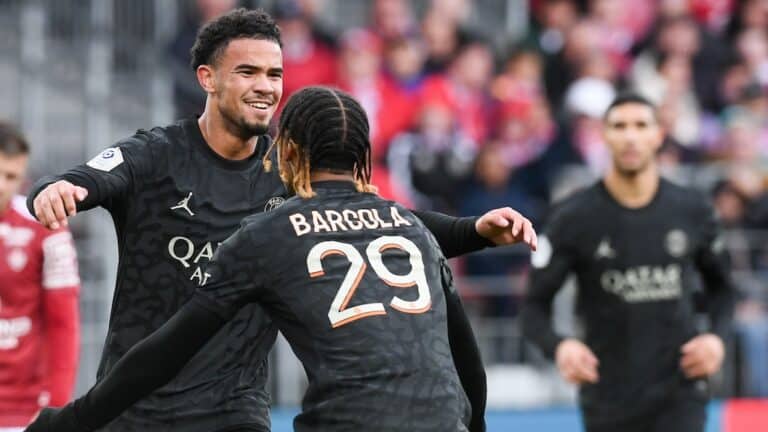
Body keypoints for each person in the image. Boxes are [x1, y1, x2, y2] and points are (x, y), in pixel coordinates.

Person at [27, 9, 535, 432]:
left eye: (274, 75)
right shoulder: (156, 153)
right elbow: (83, 179)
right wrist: (58, 190)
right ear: (207, 78)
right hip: (134, 403)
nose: (266, 87)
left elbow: (384, 222)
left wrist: (474, 231)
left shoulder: (289, 170)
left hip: (235, 409)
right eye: (248, 72)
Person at [521, 93, 734, 432]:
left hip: (680, 393)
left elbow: (724, 289)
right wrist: (560, 347)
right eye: (619, 126)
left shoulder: (693, 210)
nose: (630, 136)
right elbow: (533, 306)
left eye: (640, 125)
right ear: (604, 136)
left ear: (658, 135)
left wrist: (716, 339)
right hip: (607, 397)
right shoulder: (573, 218)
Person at [0, 122, 80, 431]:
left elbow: (64, 321)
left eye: (11, 177)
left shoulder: (45, 226)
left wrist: (56, 405)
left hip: (24, 411)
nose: (1, 185)